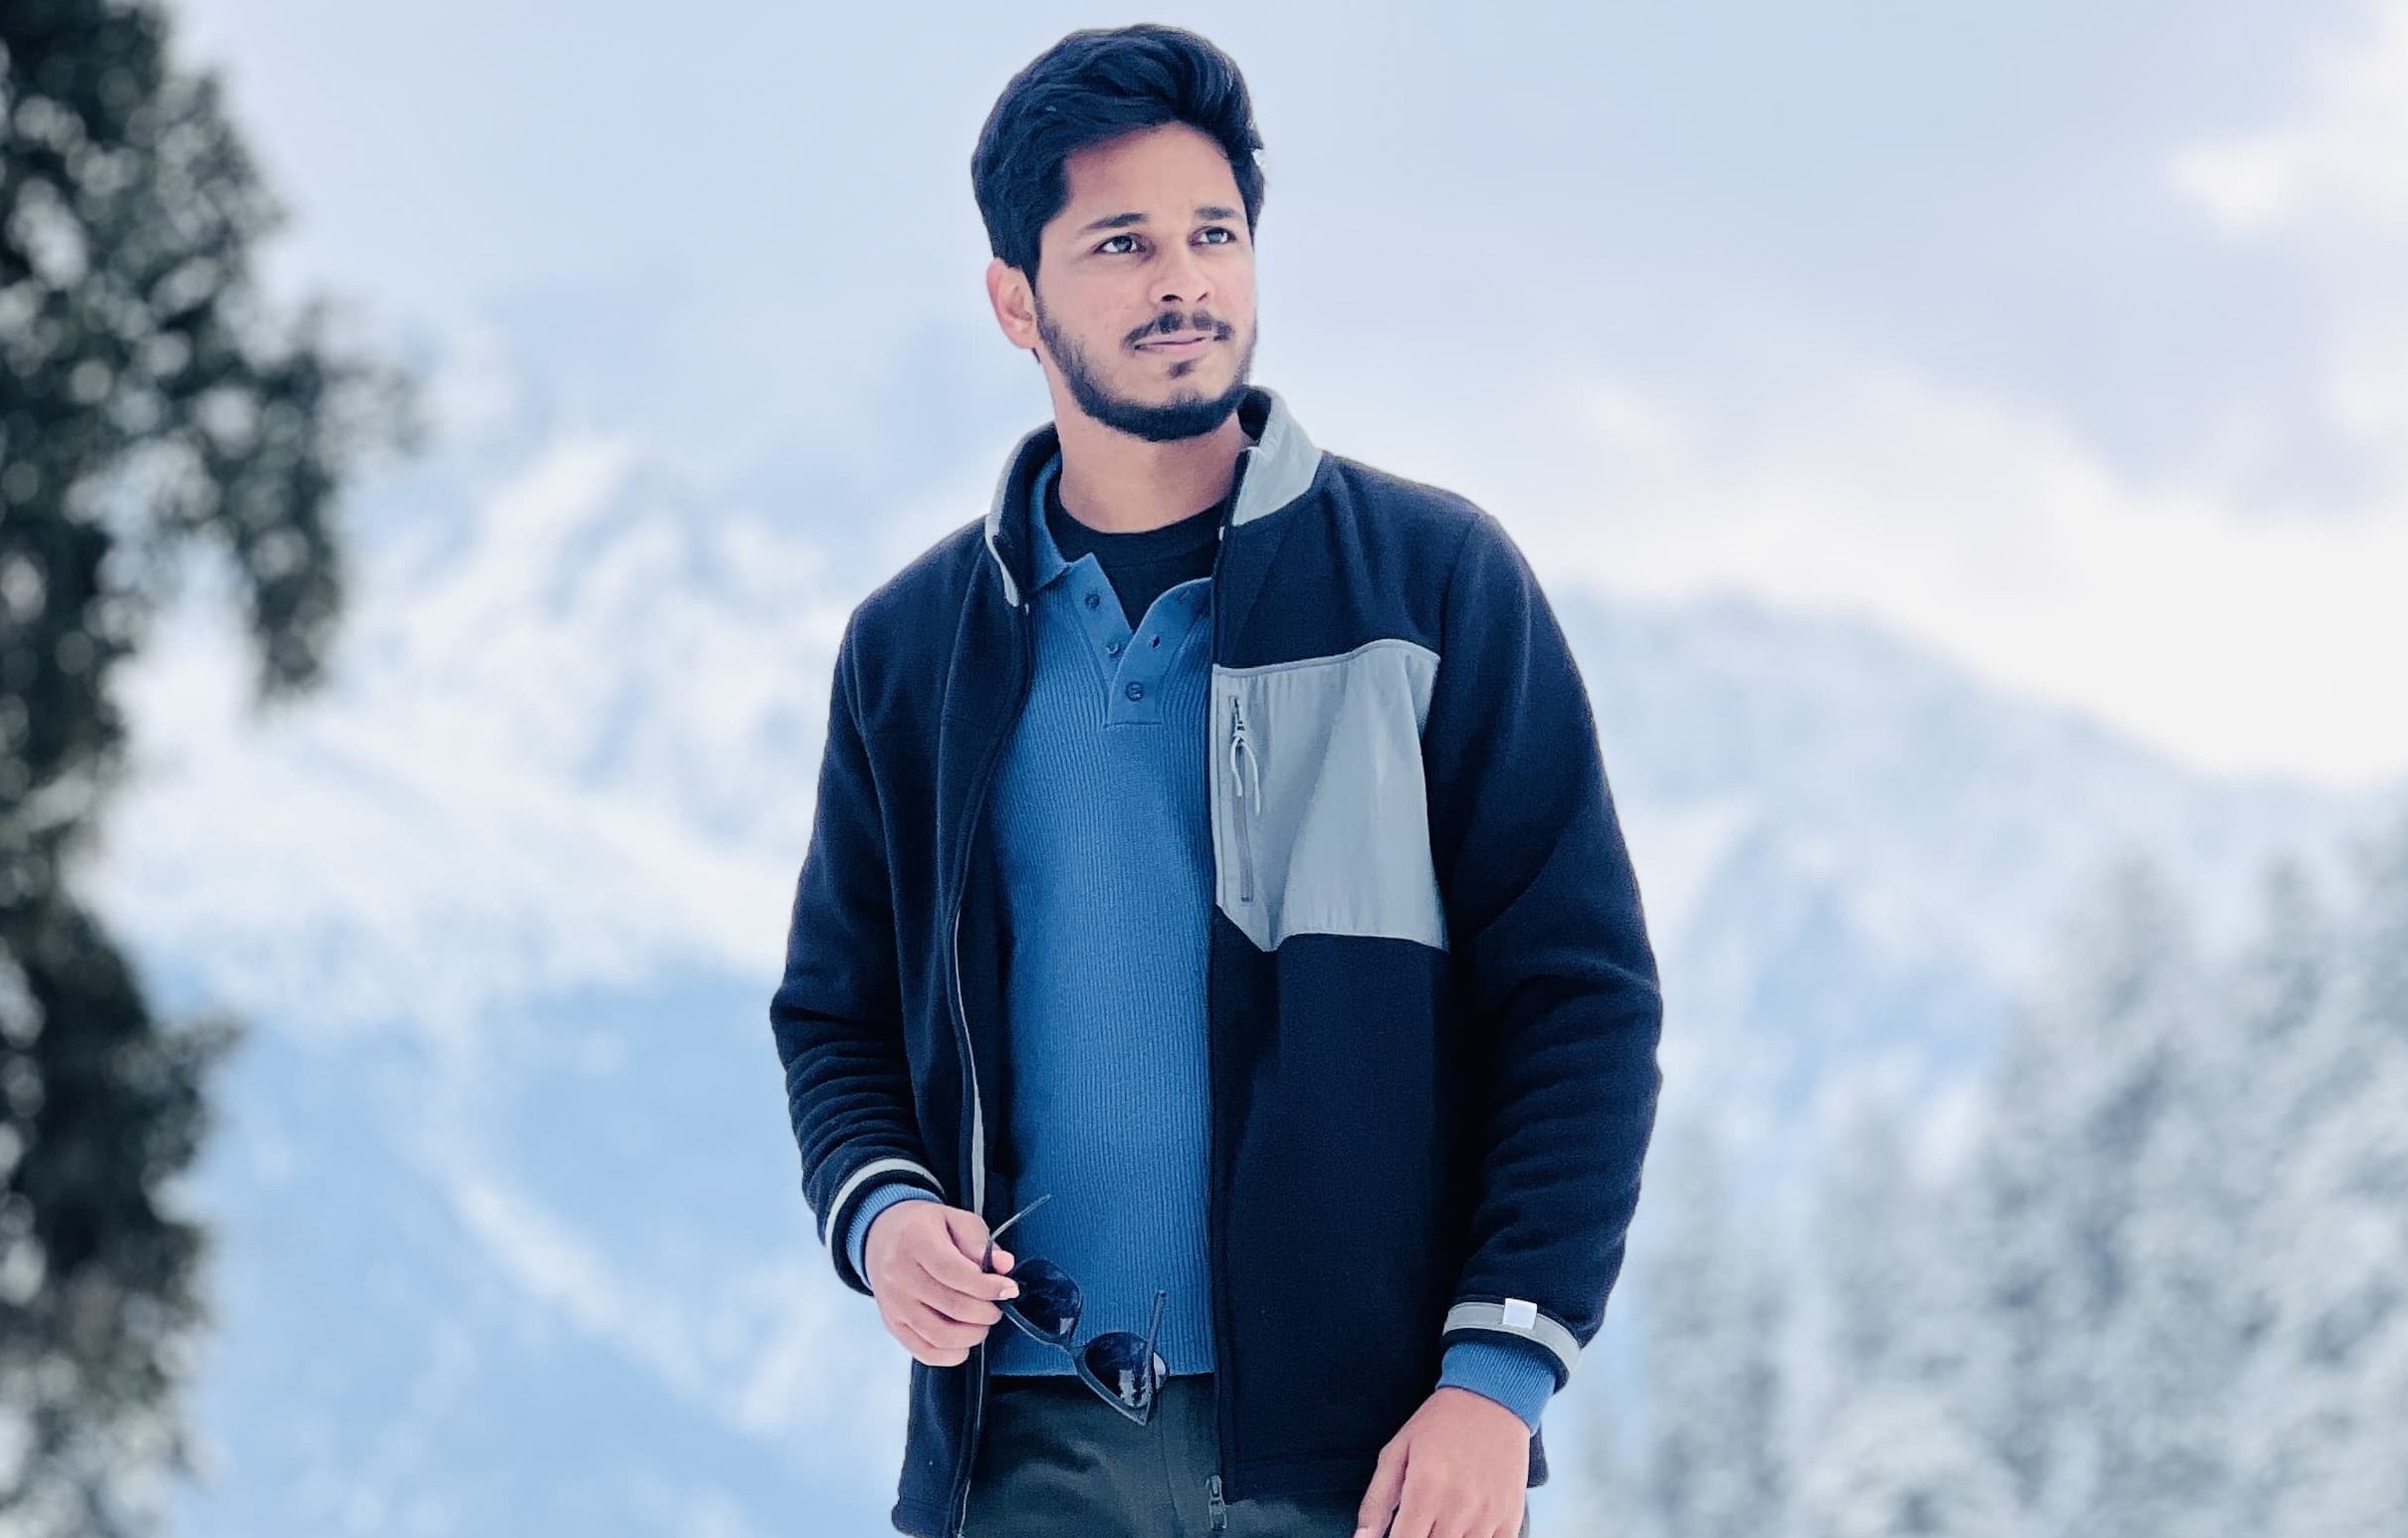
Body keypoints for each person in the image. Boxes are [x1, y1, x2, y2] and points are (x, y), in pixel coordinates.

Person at [769, 23, 1662, 1538]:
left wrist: (1497, 1377)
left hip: (1372, 1464)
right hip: (1019, 1456)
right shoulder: (914, 652)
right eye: (1121, 243)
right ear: (1016, 300)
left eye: (1214, 233)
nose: (1181, 280)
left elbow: (1580, 1004)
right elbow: (837, 1016)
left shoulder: (1435, 589)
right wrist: (884, 1211)